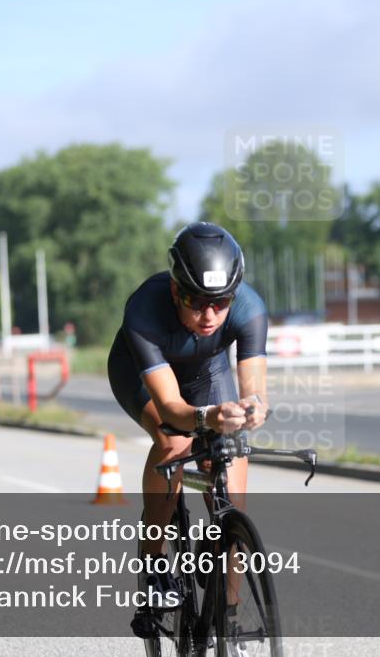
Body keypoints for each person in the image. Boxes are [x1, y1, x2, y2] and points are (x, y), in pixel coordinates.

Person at [107, 222, 269, 627]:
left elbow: (255, 392)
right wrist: (208, 417)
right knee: (175, 443)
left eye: (221, 302)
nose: (210, 315)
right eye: (197, 303)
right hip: (142, 375)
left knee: (231, 469)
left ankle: (226, 614)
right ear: (176, 290)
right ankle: (155, 566)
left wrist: (252, 410)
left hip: (206, 372)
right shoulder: (144, 310)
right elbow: (173, 408)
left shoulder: (250, 310)